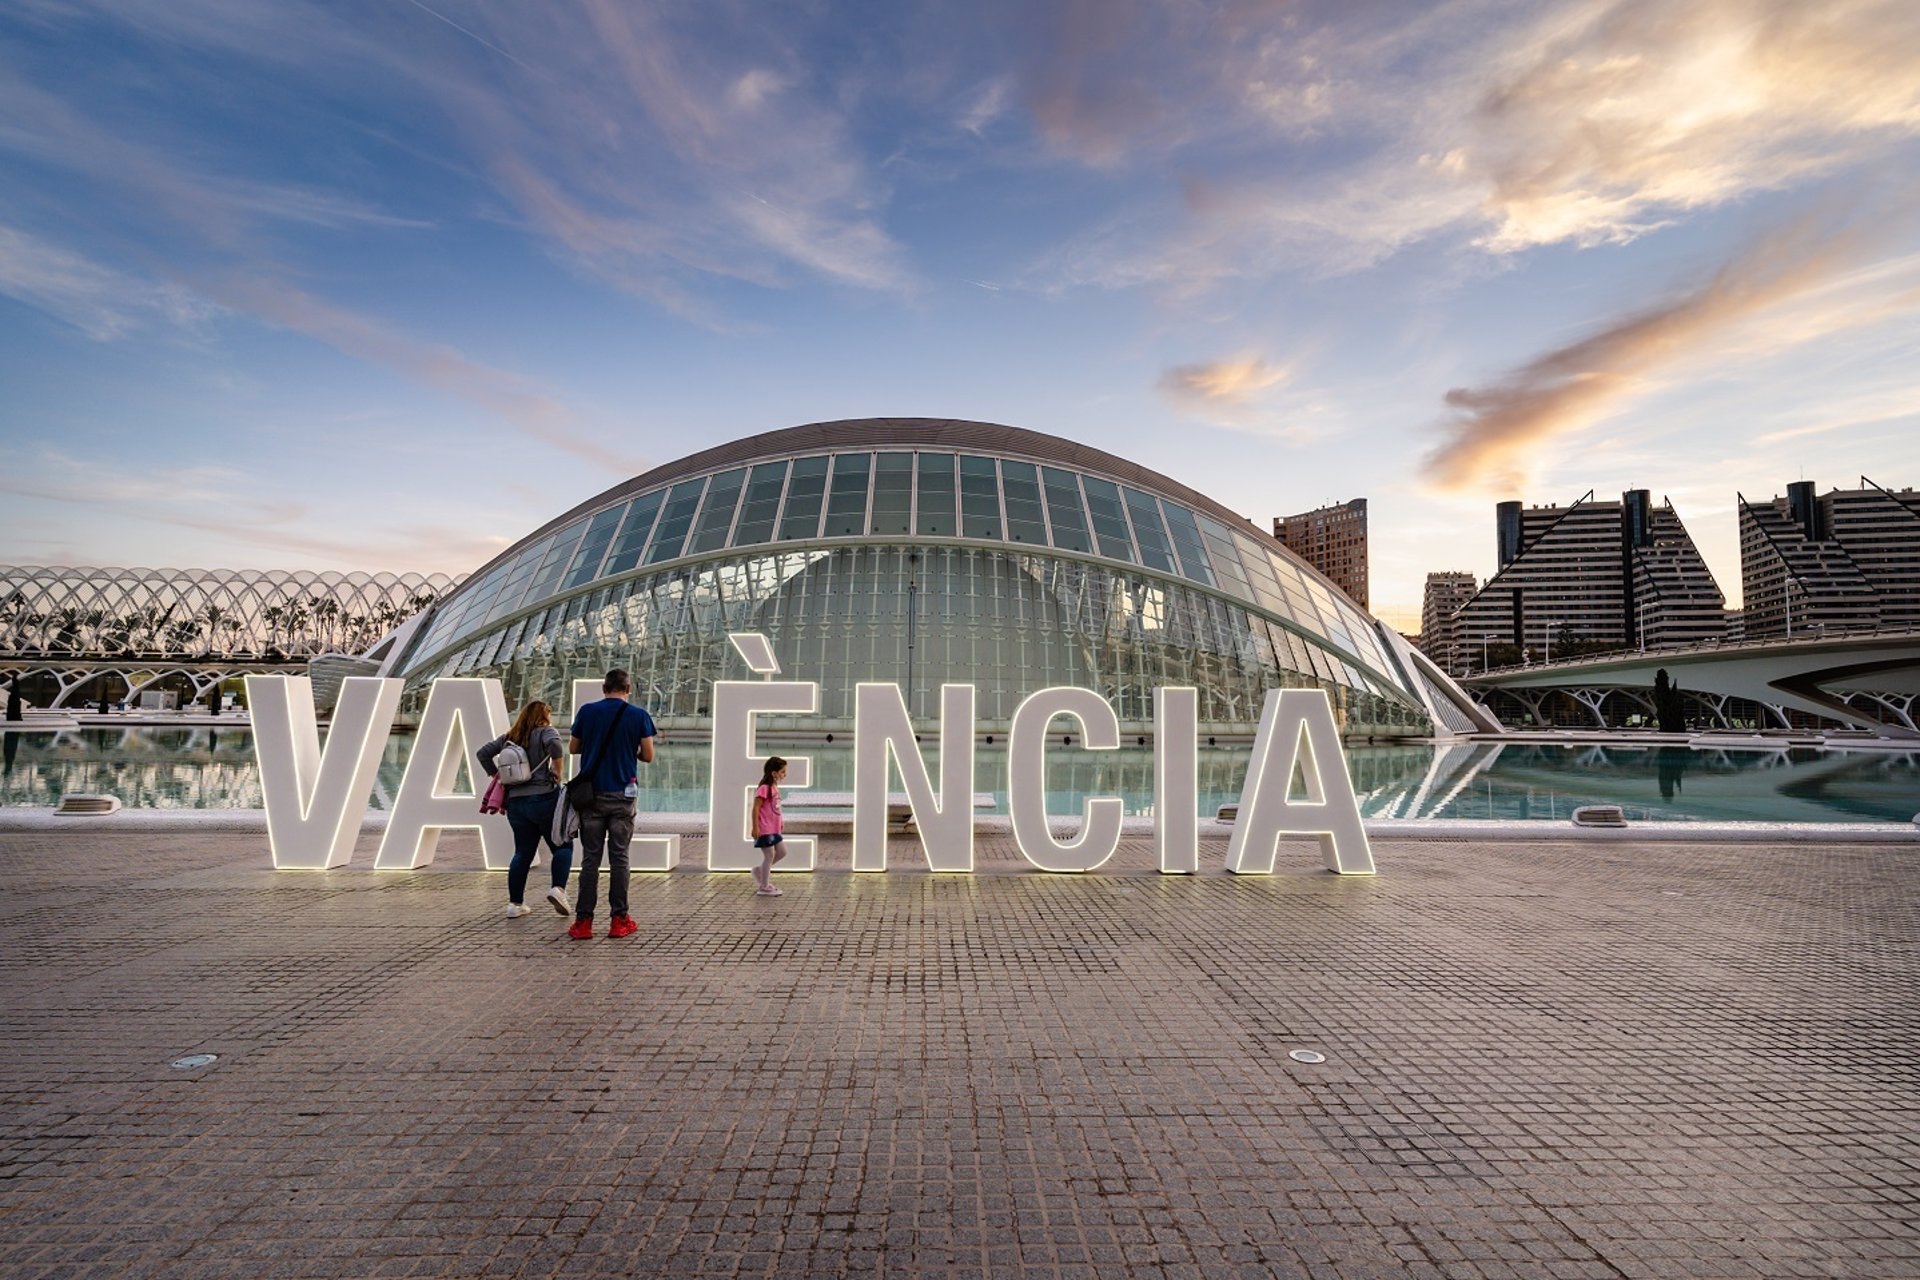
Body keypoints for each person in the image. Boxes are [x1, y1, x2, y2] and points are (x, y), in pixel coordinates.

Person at [566, 669, 657, 940]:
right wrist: (629, 750)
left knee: (590, 860)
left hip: (591, 796)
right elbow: (649, 755)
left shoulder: (587, 711)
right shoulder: (638, 715)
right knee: (619, 859)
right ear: (628, 688)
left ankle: (583, 923)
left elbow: (573, 748)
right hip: (623, 794)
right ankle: (619, 920)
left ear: (604, 688)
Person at [477, 701, 574, 919]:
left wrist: (497, 775)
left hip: (516, 804)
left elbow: (482, 753)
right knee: (562, 846)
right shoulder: (546, 732)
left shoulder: (510, 737)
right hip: (544, 799)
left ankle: (515, 904)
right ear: (543, 715)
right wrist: (557, 771)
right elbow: (557, 747)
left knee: (522, 853)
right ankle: (558, 889)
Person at [751, 755, 788, 896]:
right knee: (769, 855)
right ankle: (764, 886)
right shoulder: (764, 788)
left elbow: (776, 807)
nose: (785, 774)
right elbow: (756, 808)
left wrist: (781, 822)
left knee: (782, 852)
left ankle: (759, 871)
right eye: (783, 772)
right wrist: (755, 827)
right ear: (774, 773)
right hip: (765, 828)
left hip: (774, 828)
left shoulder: (774, 787)